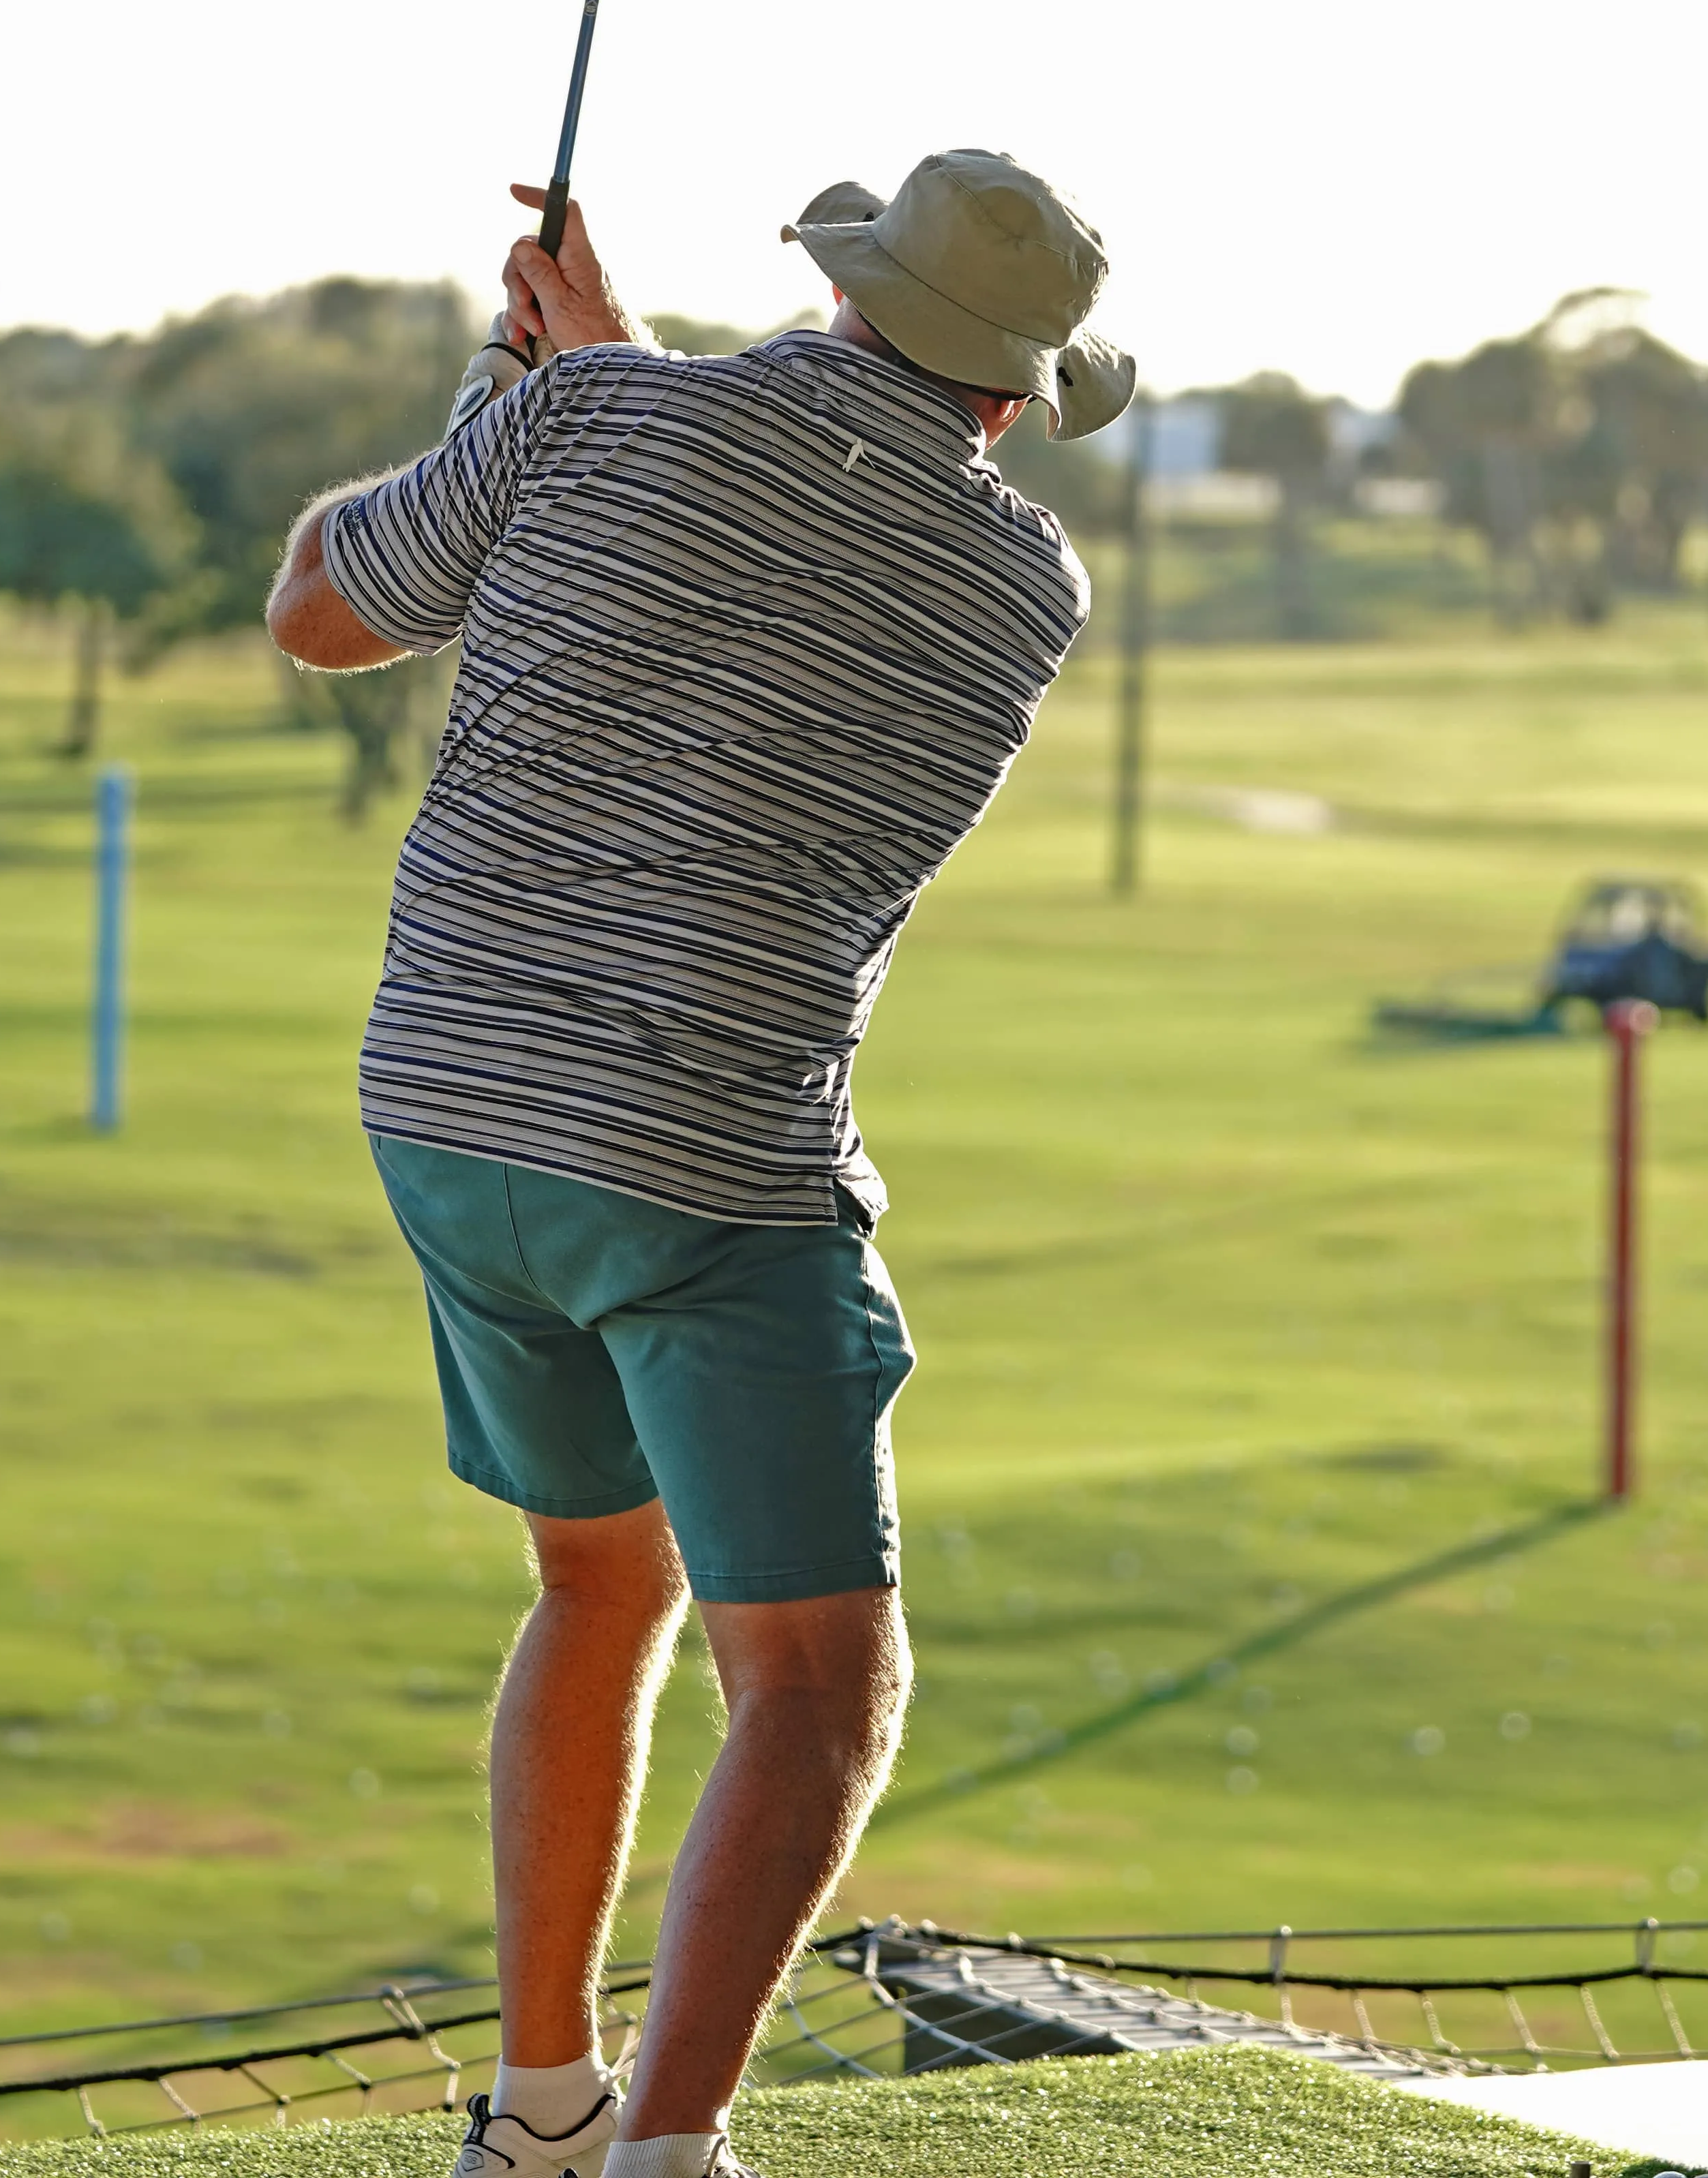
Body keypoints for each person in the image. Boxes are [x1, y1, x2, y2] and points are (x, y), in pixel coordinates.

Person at [262, 151, 1135, 2178]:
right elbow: (779, 529)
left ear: (840, 295)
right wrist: (584, 392)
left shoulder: (590, 420)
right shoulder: (1025, 588)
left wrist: (506, 409)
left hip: (451, 1117)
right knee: (821, 1684)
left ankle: (545, 2114)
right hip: (699, 1155)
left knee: (600, 1579)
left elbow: (323, 610)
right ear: (1010, 401)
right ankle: (663, 2157)